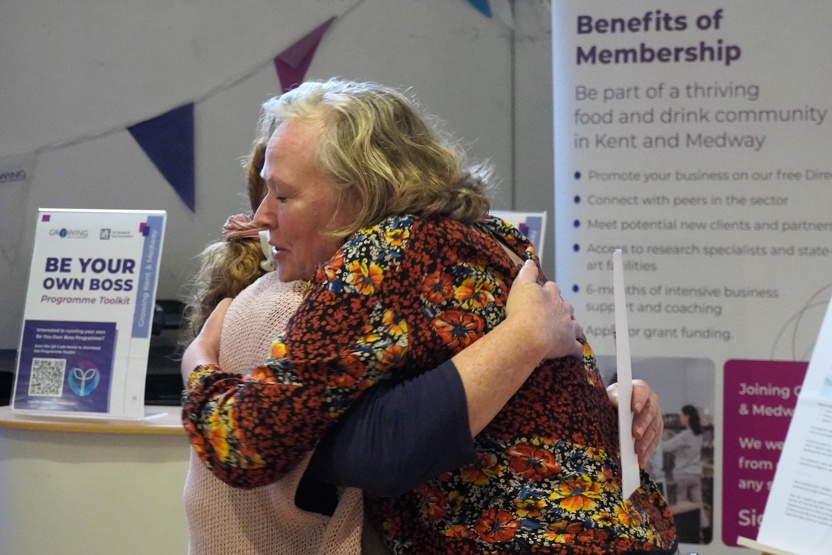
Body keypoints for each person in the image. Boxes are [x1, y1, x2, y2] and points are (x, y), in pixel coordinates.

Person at [182, 78, 677, 554]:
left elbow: (245, 443)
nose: (261, 217)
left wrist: (198, 363)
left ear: (358, 195)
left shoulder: (384, 252)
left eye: (284, 195)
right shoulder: (497, 239)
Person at [663, 404, 709, 543]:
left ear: (687, 417)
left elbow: (667, 447)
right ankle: (706, 535)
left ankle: (684, 538)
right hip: (695, 475)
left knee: (681, 508)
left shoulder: (685, 435)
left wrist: (661, 438)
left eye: (681, 415)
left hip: (681, 476)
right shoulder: (698, 434)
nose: (680, 418)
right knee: (699, 507)